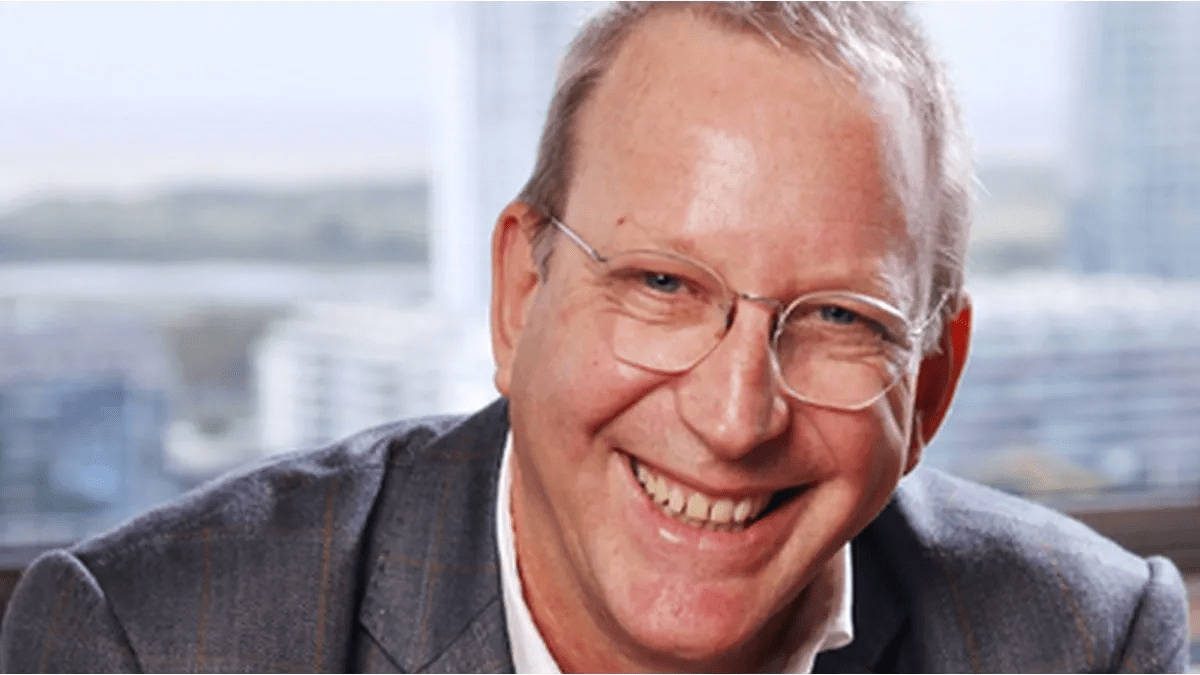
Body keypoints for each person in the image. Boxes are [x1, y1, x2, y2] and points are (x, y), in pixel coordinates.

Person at [0, 2, 1189, 673]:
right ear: (520, 296)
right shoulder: (151, 643)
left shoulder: (1088, 642)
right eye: (662, 283)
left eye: (839, 318)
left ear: (929, 388)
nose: (733, 419)